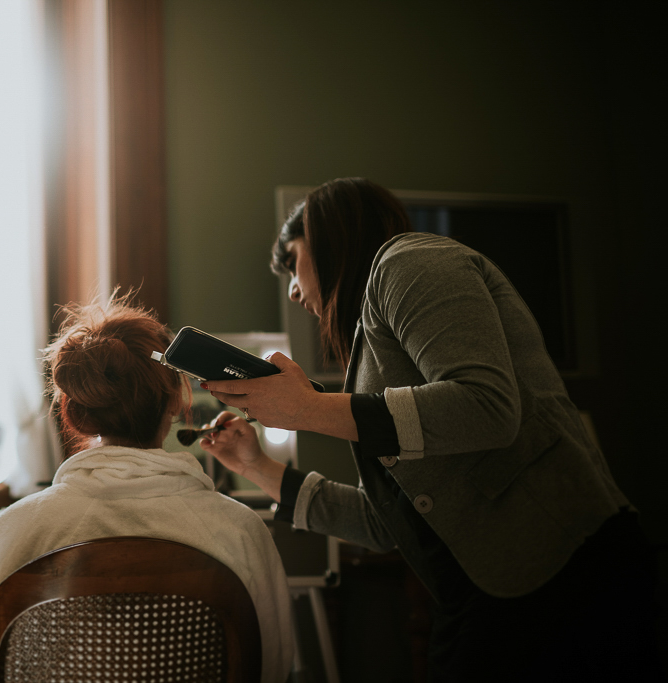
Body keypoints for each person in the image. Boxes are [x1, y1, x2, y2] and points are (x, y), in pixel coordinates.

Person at [199, 178, 662, 681]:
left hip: (566, 571)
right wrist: (256, 467)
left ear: (328, 234)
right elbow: (383, 524)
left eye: (292, 261)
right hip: (476, 592)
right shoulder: (368, 354)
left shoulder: (409, 261)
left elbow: (486, 407)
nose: (292, 288)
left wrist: (308, 409)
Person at [0, 296, 294, 683]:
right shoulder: (239, 530)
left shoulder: (12, 533)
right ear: (175, 400)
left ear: (74, 412)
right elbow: (273, 666)